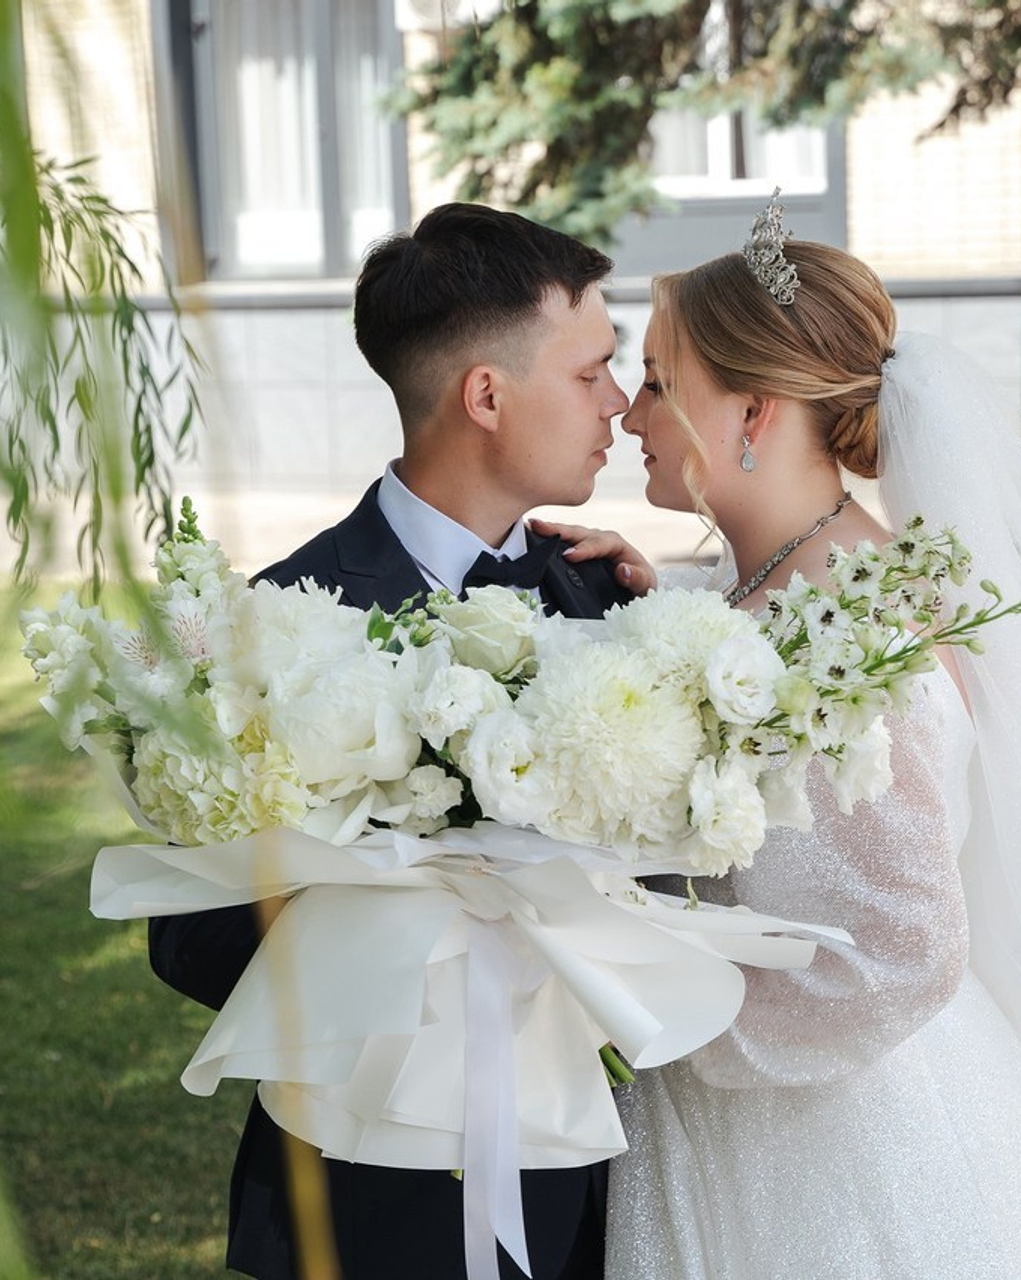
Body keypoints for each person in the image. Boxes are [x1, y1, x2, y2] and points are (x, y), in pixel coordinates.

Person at [148, 202, 652, 1280]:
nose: (617, 401)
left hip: (576, 1177)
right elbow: (185, 938)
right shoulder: (279, 619)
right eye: (590, 371)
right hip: (349, 1185)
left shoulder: (611, 604)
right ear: (484, 394)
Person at [552, 195, 1021, 1278]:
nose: (629, 416)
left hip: (831, 1142)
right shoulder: (794, 573)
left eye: (660, 383)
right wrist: (661, 599)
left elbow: (907, 947)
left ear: (752, 414)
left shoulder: (850, 628)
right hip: (764, 1107)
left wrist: (664, 1022)